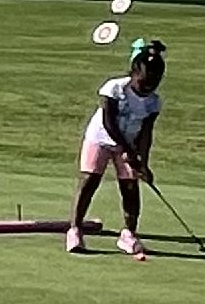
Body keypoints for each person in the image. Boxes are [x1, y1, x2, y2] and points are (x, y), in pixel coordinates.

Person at [69, 37, 165, 258]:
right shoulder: (114, 88)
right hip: (100, 139)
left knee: (130, 186)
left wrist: (143, 162)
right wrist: (126, 150)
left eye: (155, 81)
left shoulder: (153, 102)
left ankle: (128, 234)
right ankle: (75, 229)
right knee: (89, 180)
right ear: (133, 73)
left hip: (129, 144)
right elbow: (108, 122)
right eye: (144, 81)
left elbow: (145, 133)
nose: (148, 87)